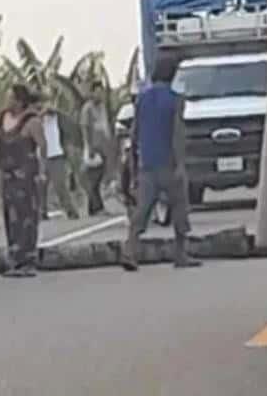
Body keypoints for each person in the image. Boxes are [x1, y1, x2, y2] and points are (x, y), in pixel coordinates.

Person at [122, 55, 201, 271]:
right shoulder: (176, 99)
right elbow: (177, 134)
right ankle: (181, 255)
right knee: (179, 209)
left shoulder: (142, 99)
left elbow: (135, 132)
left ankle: (130, 251)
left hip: (147, 163)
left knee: (142, 211)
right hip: (169, 162)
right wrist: (181, 164)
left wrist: (133, 164)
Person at [0, 85, 47, 277]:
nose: (6, 101)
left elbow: (42, 147)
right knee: (12, 216)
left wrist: (42, 173)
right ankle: (15, 258)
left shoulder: (31, 121)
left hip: (27, 176)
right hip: (8, 176)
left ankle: (28, 260)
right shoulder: (1, 119)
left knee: (28, 216)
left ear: (19, 101)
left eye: (9, 98)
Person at [37, 100, 80, 220]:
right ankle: (41, 211)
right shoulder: (35, 118)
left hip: (56, 154)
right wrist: (41, 113)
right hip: (41, 155)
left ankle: (70, 210)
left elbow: (68, 121)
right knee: (41, 186)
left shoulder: (56, 116)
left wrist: (52, 110)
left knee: (60, 185)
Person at [80, 80, 113, 217]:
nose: (100, 95)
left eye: (102, 92)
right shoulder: (88, 108)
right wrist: (89, 147)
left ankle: (94, 207)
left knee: (98, 178)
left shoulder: (103, 107)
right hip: (94, 146)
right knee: (94, 178)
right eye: (97, 91)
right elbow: (85, 128)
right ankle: (96, 207)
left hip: (104, 146)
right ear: (92, 92)